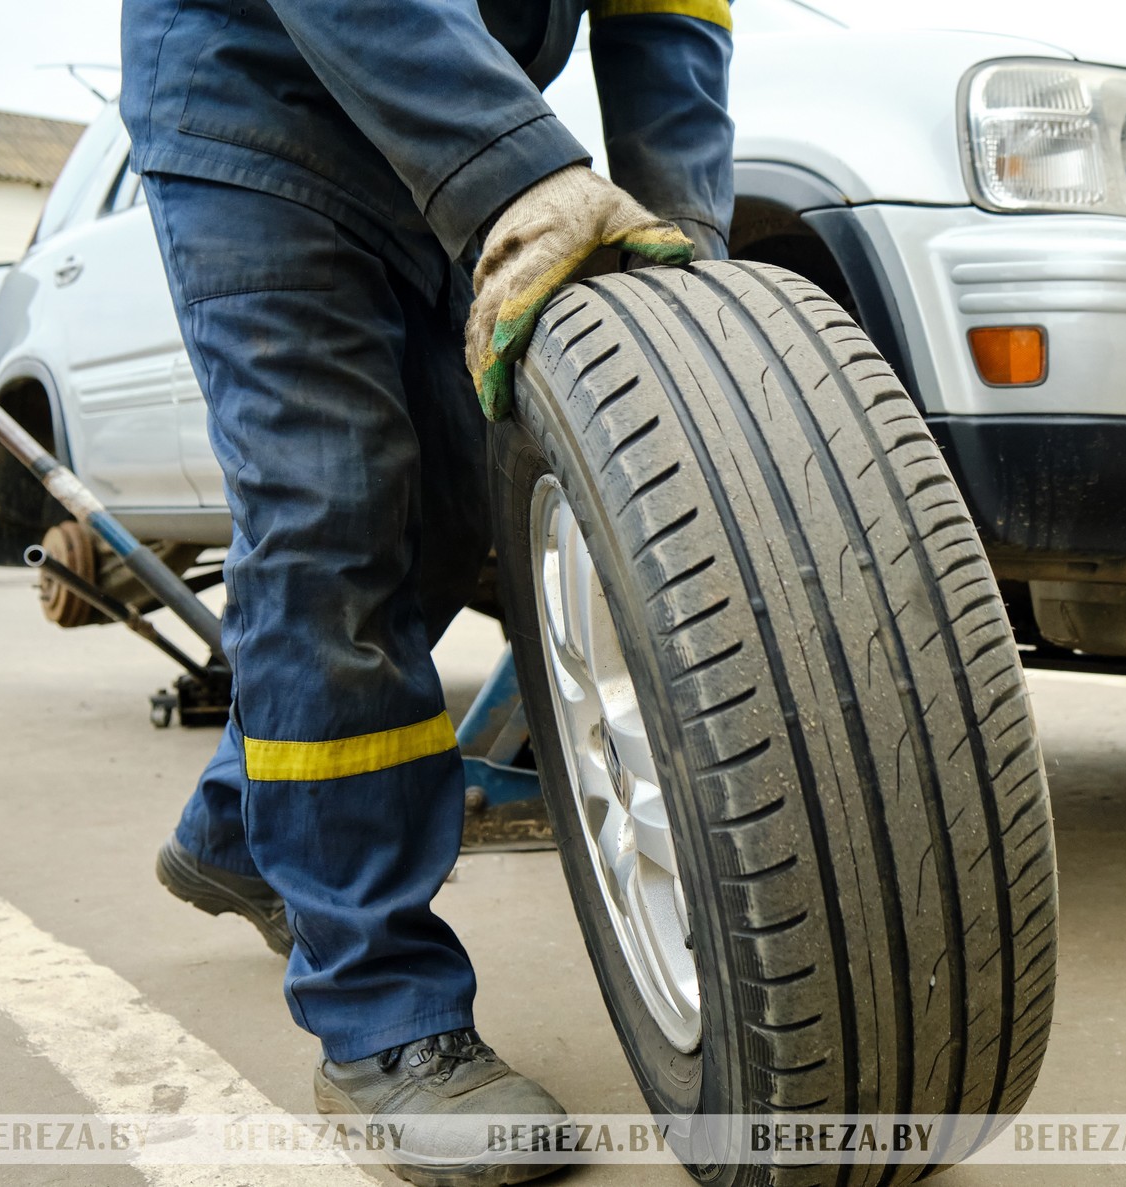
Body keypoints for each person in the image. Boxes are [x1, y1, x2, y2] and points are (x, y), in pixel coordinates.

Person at [120, 0, 733, 1180]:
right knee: (332, 517)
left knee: (452, 514)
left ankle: (241, 826)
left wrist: (685, 233)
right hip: (260, 103)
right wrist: (519, 171)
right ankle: (381, 1016)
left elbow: (671, 15)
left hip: (443, 111)